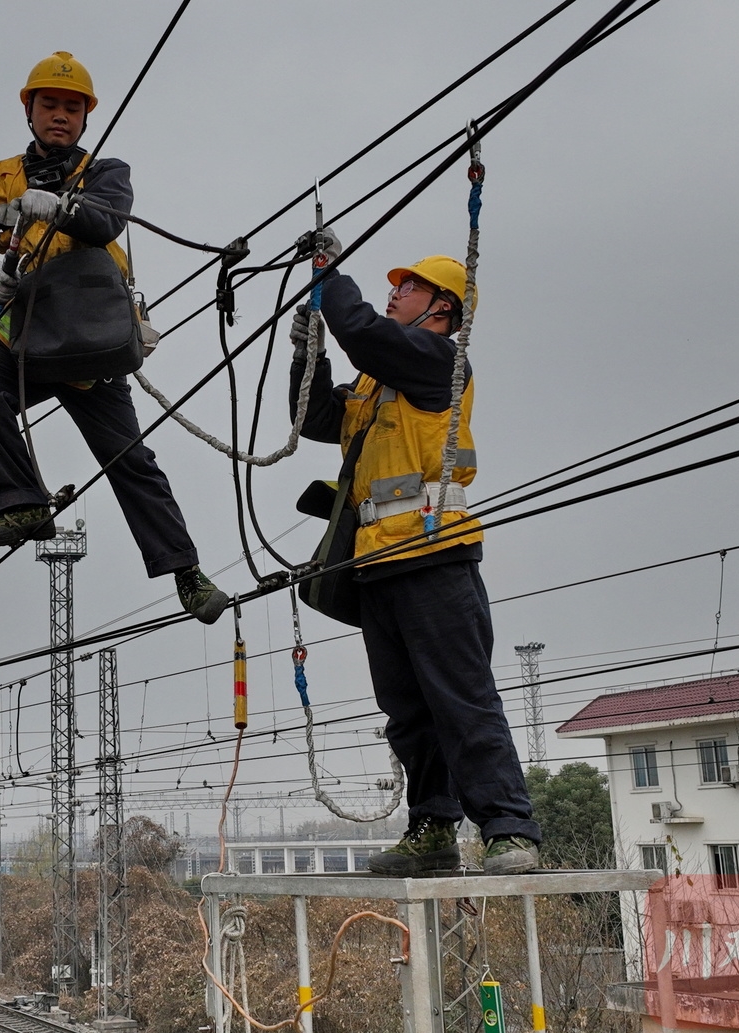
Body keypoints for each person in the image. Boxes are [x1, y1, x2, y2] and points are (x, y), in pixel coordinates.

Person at [0, 51, 228, 625]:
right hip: (25, 334)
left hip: (89, 341)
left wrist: (63, 206)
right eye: (50, 104)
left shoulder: (104, 173)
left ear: (85, 117)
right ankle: (24, 505)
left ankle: (186, 574)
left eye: (72, 108)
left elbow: (106, 222)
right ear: (30, 109)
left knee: (129, 460)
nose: (61, 116)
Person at [288, 240, 541, 877]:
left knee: (461, 698)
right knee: (407, 709)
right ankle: (432, 827)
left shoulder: (437, 361)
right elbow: (316, 415)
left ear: (442, 308)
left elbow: (361, 328)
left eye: (408, 287)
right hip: (375, 561)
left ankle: (509, 828)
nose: (395, 292)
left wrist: (328, 278)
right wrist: (306, 353)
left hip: (434, 554)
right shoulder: (379, 381)